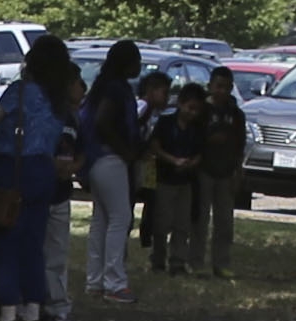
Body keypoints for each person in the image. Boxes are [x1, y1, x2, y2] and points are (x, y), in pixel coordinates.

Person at [0, 39, 82, 321]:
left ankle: (8, 314)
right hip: (44, 170)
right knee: (33, 242)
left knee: (5, 239)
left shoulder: (19, 91)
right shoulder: (59, 99)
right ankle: (33, 312)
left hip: (13, 168)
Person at [80, 40, 149, 302]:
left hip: (97, 158)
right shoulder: (116, 89)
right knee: (120, 218)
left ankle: (95, 281)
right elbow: (104, 122)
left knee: (101, 220)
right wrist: (125, 151)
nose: (139, 66)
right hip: (110, 157)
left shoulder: (104, 86)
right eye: (136, 60)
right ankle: (115, 282)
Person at [146, 81, 208, 272]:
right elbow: (155, 147)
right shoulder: (165, 123)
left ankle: (178, 260)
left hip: (186, 181)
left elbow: (201, 152)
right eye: (190, 108)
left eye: (196, 110)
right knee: (161, 222)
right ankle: (158, 259)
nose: (192, 113)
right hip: (165, 179)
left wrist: (192, 163)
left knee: (182, 223)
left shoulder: (197, 128)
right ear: (180, 103)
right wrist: (173, 160)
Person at [200, 68, 250, 274]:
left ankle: (221, 264)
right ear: (210, 86)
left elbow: (240, 144)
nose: (222, 91)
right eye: (218, 86)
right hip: (203, 169)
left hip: (226, 170)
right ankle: (196, 262)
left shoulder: (236, 114)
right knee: (200, 220)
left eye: (226, 87)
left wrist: (238, 169)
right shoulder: (202, 110)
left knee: (224, 223)